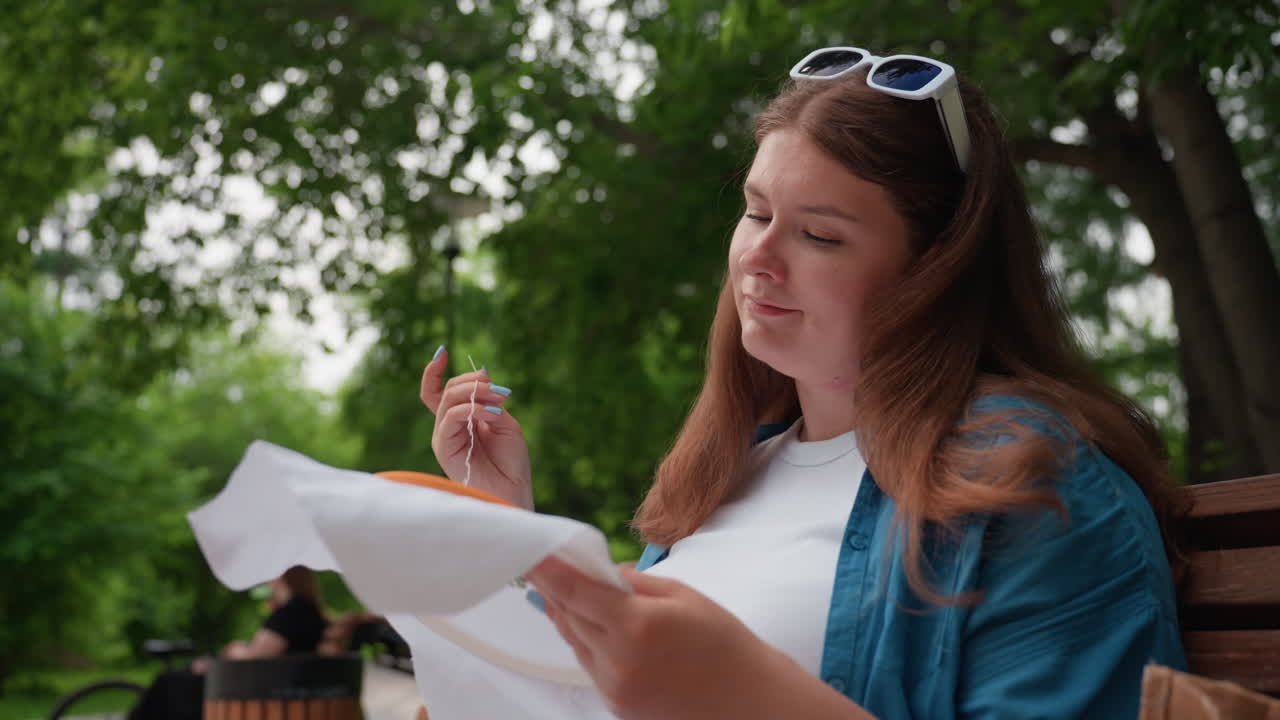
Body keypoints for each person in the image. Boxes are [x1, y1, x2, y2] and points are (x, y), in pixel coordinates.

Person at [420, 45, 1187, 719]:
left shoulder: (1038, 485)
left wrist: (743, 689)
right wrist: (508, 531)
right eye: (756, 214)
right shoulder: (726, 474)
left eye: (820, 234)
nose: (760, 257)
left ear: (936, 271)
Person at [129, 566, 330, 720]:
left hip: (260, 695)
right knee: (179, 679)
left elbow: (255, 658)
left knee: (169, 682)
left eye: (272, 576)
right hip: (282, 691)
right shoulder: (312, 614)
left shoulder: (291, 613)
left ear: (282, 578)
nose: (269, 582)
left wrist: (234, 649)